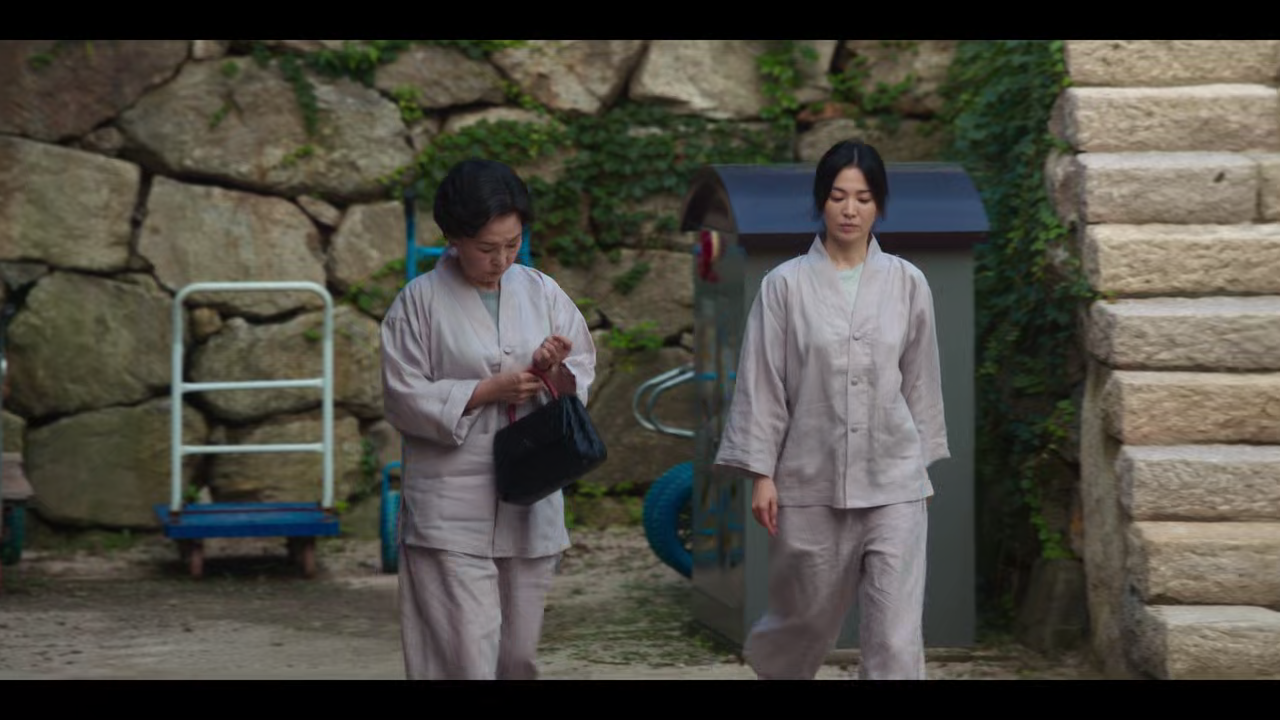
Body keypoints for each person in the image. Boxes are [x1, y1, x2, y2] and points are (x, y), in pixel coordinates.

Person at [712, 139, 948, 680]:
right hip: (808, 480)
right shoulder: (784, 286)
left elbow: (921, 380)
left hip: (893, 483)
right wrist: (762, 474)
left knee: (895, 636)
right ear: (821, 200)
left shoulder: (908, 283)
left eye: (863, 198)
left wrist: (920, 467)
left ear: (879, 204)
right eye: (838, 196)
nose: (849, 210)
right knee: (803, 622)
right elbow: (763, 383)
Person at [379, 158, 597, 680]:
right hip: (450, 506)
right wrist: (484, 392)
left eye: (512, 244)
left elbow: (578, 375)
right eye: (486, 248)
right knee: (463, 658)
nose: (501, 259)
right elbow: (403, 395)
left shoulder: (541, 290)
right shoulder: (418, 303)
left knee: (517, 657)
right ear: (453, 238)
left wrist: (549, 368)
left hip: (529, 498)